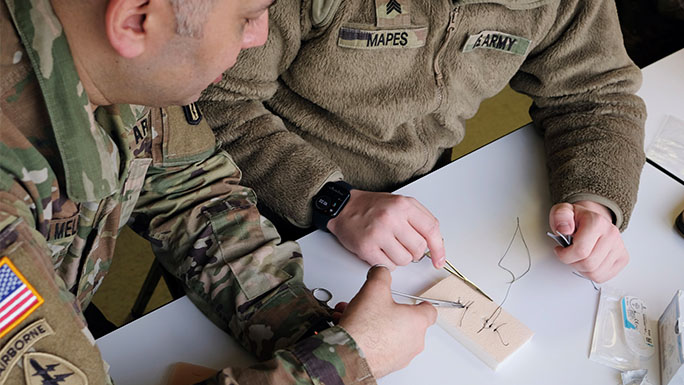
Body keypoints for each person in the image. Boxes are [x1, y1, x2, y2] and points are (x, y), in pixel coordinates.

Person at [0, 0, 436, 384]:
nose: (259, 36)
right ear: (135, 20)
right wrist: (344, 362)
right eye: (247, 16)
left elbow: (196, 196)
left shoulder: (132, 63)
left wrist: (302, 325)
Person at [200, 0, 647, 283]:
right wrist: (333, 201)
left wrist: (595, 200)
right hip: (259, 194)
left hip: (420, 189)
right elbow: (213, 101)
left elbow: (596, 93)